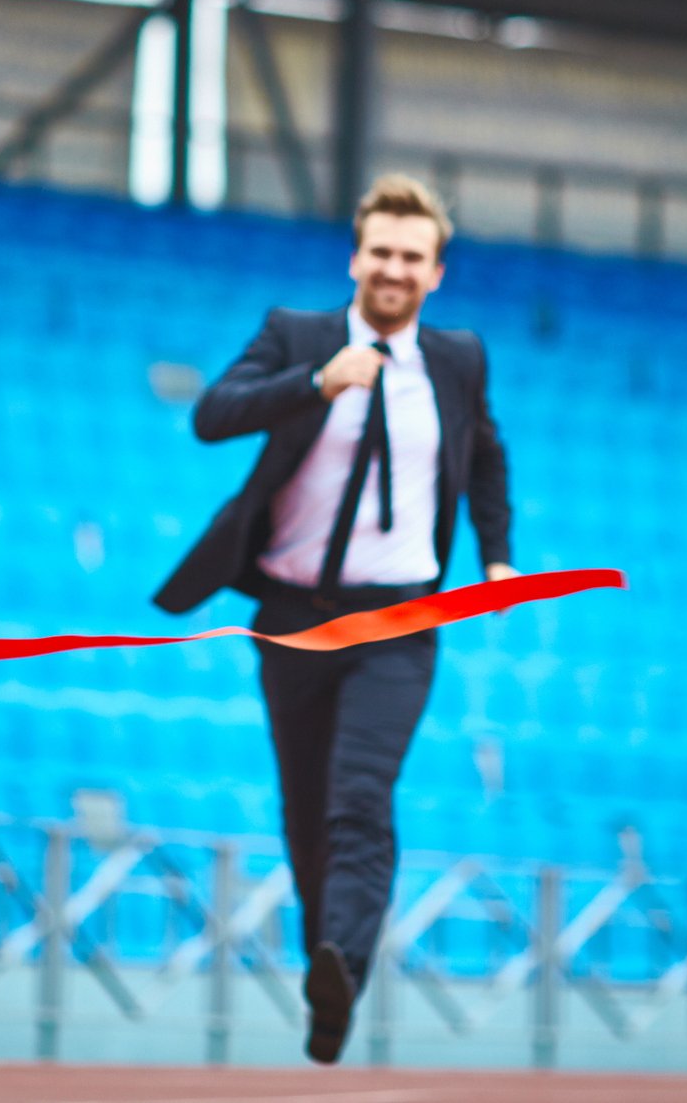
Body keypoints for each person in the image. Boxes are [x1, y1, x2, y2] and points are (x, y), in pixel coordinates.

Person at [150, 174, 514, 1065]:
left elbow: (486, 457)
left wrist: (495, 556)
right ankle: (328, 963)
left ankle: (342, 961)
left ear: (435, 275)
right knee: (306, 812)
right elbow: (210, 416)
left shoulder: (459, 358)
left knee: (360, 796)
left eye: (411, 257)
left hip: (398, 619)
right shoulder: (297, 334)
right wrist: (316, 382)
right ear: (356, 258)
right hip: (292, 615)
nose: (392, 268)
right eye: (379, 251)